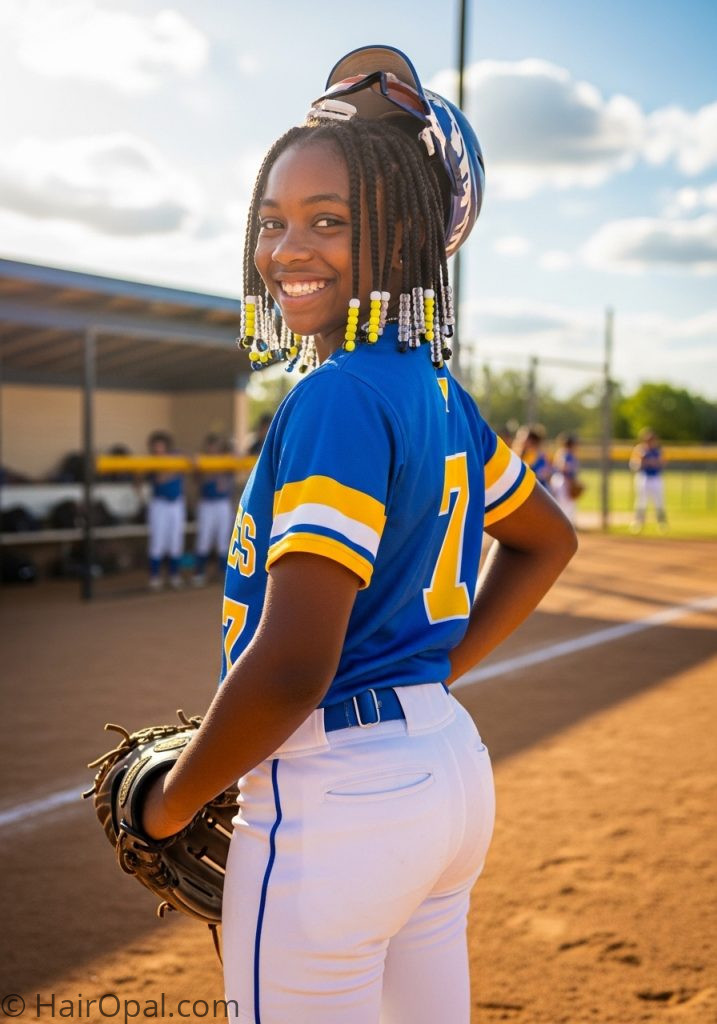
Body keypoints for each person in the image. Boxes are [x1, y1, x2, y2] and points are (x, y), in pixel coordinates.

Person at [140, 45, 577, 1023]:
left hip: (336, 791)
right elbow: (547, 539)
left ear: (408, 233)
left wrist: (169, 801)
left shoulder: (336, 393)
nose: (286, 248)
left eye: (329, 220)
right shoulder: (437, 392)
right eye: (272, 220)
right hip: (443, 772)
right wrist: (425, 674)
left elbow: (294, 667)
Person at [143, 430, 186, 590]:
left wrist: (177, 462)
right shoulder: (151, 461)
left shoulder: (176, 455)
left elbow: (190, 458)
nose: (158, 449)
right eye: (155, 447)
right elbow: (160, 478)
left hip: (177, 503)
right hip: (159, 504)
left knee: (175, 540)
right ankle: (154, 576)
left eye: (161, 446)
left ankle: (174, 575)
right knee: (158, 541)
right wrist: (173, 467)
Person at [192, 433, 235, 586]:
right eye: (210, 446)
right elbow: (196, 480)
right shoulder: (202, 460)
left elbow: (238, 463)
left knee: (223, 539)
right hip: (207, 503)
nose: (213, 450)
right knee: (204, 539)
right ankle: (199, 572)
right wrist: (198, 467)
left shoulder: (227, 460)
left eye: (216, 447)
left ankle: (224, 573)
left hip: (223, 503)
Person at [629, 427, 667, 532]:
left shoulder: (658, 450)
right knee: (641, 501)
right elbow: (633, 465)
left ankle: (662, 523)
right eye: (648, 440)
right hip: (643, 477)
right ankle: (638, 522)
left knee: (659, 501)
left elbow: (662, 463)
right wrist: (643, 462)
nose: (650, 441)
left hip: (656, 478)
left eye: (652, 439)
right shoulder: (639, 450)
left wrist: (652, 462)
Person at [550, 432, 583, 526]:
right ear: (571, 444)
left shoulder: (563, 453)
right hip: (563, 481)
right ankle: (563, 525)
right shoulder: (567, 454)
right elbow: (563, 466)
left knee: (566, 505)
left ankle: (563, 525)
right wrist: (570, 481)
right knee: (565, 505)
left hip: (561, 480)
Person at [513, 424, 553, 489]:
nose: (519, 441)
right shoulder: (515, 454)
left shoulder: (539, 456)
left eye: (522, 438)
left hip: (536, 488)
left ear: (531, 441)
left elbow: (545, 474)